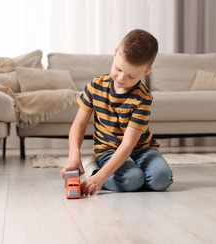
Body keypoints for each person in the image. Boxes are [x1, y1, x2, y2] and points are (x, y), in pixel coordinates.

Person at [60, 29, 173, 196]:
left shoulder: (143, 98)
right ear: (115, 54)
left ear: (146, 71)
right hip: (109, 149)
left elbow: (128, 144)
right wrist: (74, 155)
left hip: (142, 149)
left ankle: (105, 173)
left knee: (161, 179)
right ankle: (95, 169)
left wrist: (102, 177)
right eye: (118, 69)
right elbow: (79, 124)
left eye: (131, 76)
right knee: (132, 180)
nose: (121, 78)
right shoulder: (95, 86)